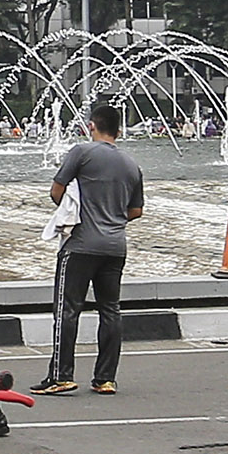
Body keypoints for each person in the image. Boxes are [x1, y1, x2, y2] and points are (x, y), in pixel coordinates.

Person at [40, 97, 143, 396]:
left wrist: (77, 213)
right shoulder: (132, 164)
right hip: (115, 246)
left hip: (81, 245)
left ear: (92, 126)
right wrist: (110, 216)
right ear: (118, 131)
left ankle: (61, 375)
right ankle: (105, 378)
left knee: (67, 309)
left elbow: (56, 191)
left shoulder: (81, 152)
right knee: (110, 310)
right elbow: (136, 211)